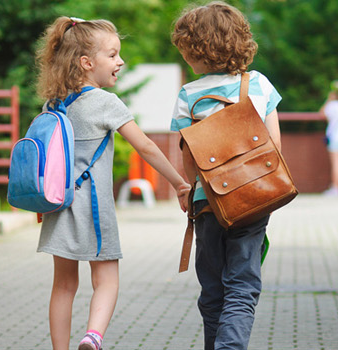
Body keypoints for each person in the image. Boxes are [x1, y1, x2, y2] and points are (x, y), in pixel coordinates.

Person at [30, 16, 194, 350]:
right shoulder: (106, 103)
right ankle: (93, 336)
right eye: (113, 54)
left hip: (58, 206)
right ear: (87, 63)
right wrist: (180, 183)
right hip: (93, 208)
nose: (120, 62)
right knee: (106, 277)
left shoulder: (53, 105)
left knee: (62, 285)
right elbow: (146, 146)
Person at [170, 2, 282, 348]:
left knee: (213, 290)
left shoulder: (188, 95)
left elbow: (188, 157)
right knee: (242, 286)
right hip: (252, 199)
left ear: (197, 50)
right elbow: (274, 145)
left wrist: (190, 190)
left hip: (208, 203)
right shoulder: (258, 85)